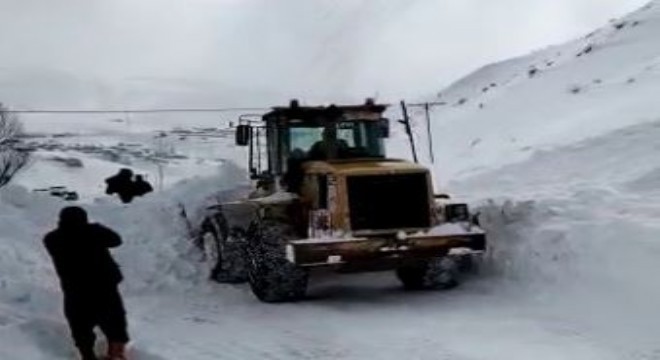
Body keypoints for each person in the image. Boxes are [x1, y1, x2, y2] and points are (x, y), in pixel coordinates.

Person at [43, 207, 130, 360]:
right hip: (104, 288)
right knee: (115, 323)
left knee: (80, 328)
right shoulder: (95, 233)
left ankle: (87, 356)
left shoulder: (52, 239)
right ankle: (117, 355)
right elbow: (116, 240)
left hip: (75, 291)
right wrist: (96, 227)